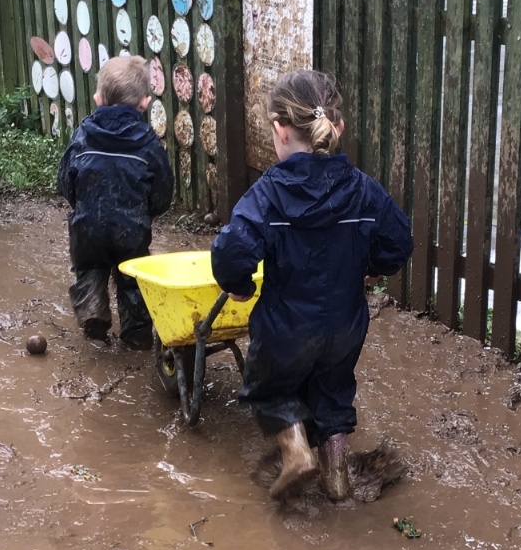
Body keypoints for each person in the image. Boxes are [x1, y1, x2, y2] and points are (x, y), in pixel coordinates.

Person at [211, 69, 412, 502]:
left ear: (280, 130)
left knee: (268, 387)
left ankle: (297, 452)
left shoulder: (268, 194)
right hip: (345, 325)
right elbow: (400, 239)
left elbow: (230, 250)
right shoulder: (364, 190)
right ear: (338, 127)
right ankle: (336, 479)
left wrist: (239, 284)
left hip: (285, 326)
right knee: (333, 390)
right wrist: (375, 267)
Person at [57, 54, 174, 348]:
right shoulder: (149, 142)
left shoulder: (82, 136)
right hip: (131, 228)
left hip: (88, 227)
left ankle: (93, 315)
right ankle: (136, 336)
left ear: (98, 99)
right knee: (133, 279)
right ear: (145, 102)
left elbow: (65, 183)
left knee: (88, 268)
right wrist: (147, 211)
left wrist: (83, 205)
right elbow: (163, 192)